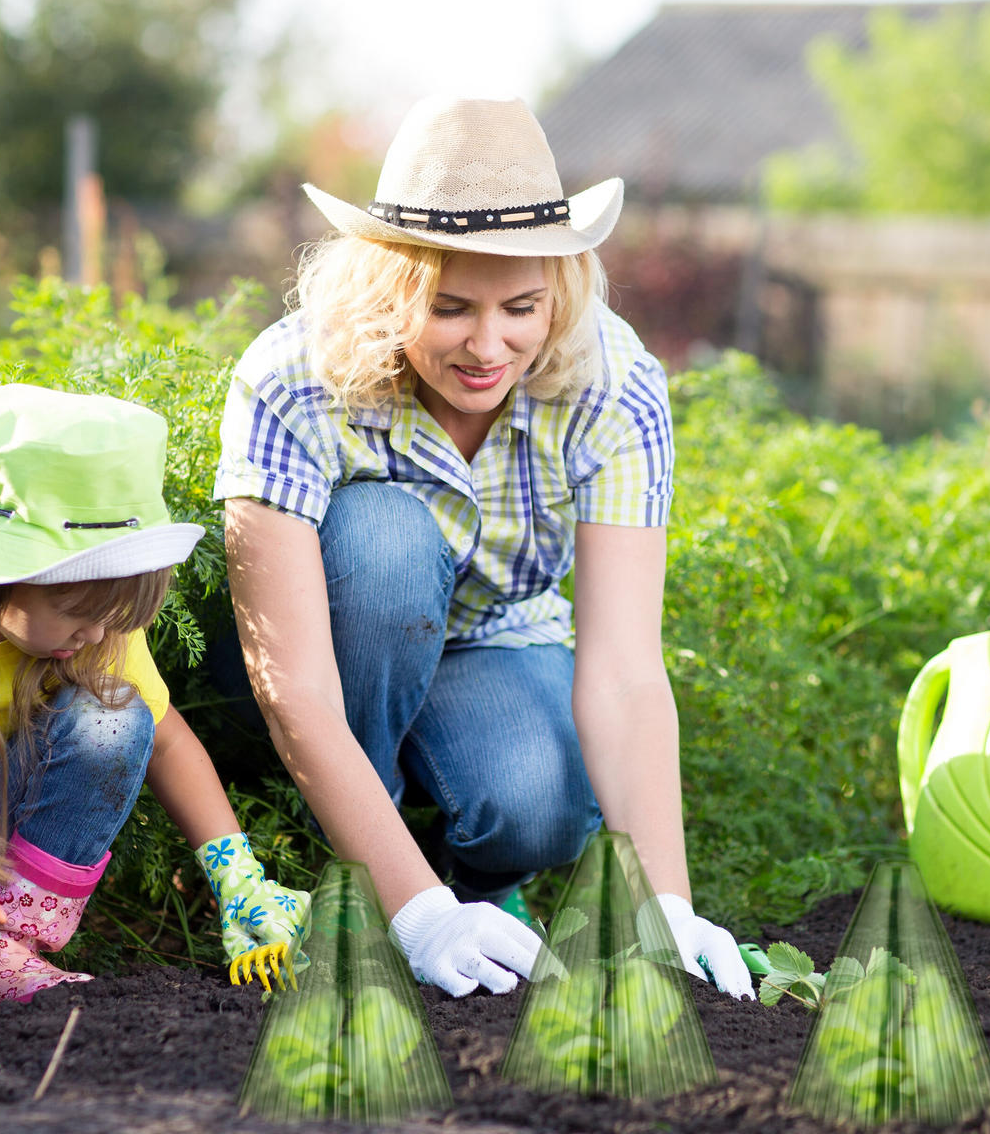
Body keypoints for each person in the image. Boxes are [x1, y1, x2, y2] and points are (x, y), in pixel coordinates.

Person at [212, 95, 754, 999]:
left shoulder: (614, 386)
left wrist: (668, 906)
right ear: (391, 289)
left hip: (493, 636)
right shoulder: (292, 382)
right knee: (384, 538)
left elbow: (623, 670)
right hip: (336, 641)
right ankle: (367, 877)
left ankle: (476, 885)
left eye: (521, 308)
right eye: (451, 306)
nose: (487, 345)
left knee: (539, 805)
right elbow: (291, 682)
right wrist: (416, 915)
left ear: (560, 289)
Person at [0, 383, 308, 1022]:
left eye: (112, 618)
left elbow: (164, 738)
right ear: (1, 573)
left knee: (114, 714)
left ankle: (7, 953)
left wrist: (238, 879)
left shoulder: (97, 626)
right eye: (77, 613)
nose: (96, 635)